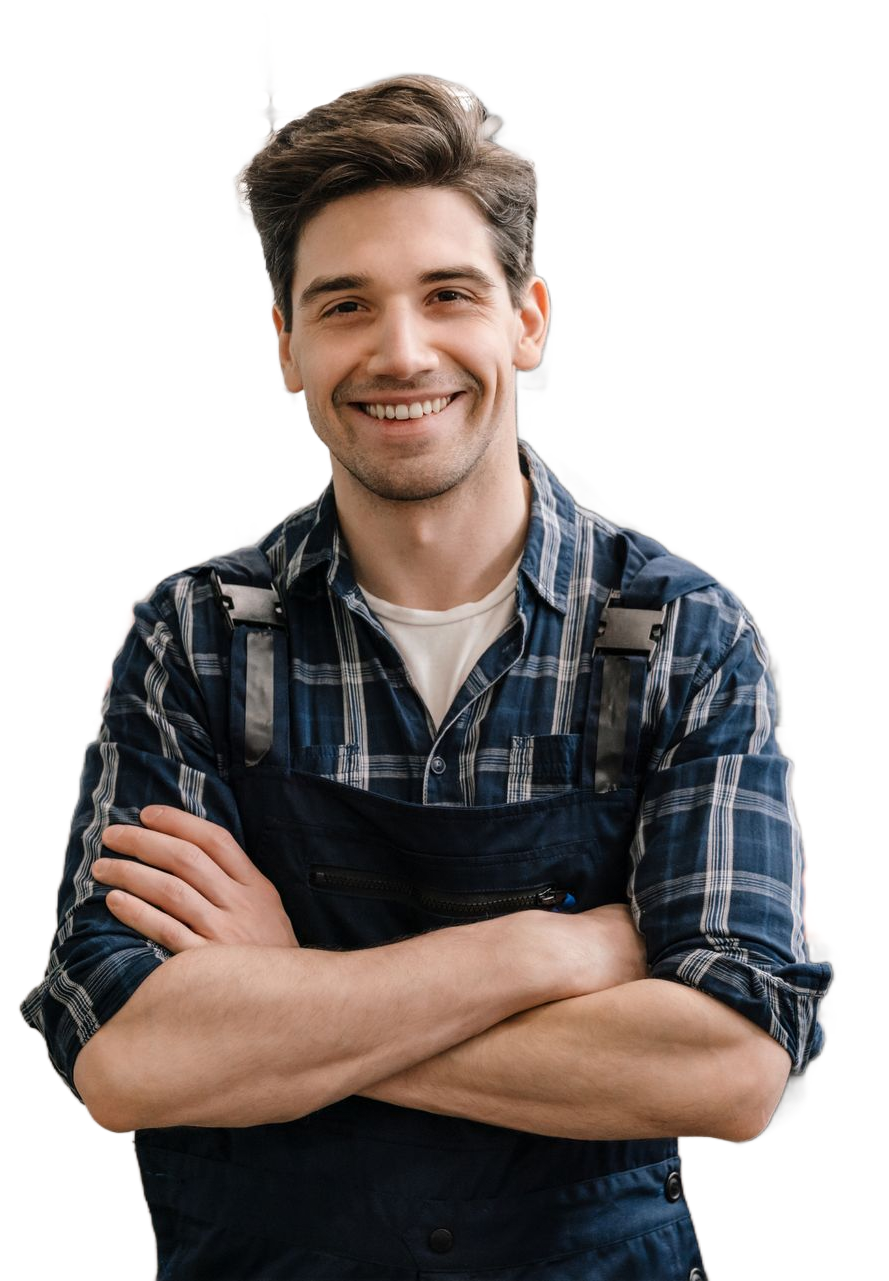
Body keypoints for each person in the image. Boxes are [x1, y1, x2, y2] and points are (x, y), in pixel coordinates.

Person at [19, 71, 832, 1279]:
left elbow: (733, 1069)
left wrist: (286, 996)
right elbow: (128, 1060)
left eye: (447, 294)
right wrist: (546, 954)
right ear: (286, 347)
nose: (401, 353)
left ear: (528, 319)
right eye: (344, 305)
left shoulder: (679, 631)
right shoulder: (191, 636)